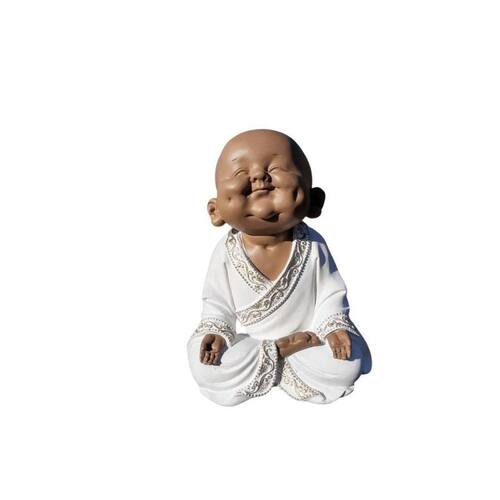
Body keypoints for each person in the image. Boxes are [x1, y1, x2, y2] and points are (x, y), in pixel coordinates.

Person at [187, 129, 371, 406]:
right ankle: (280, 350)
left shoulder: (312, 245)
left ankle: (273, 362)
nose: (259, 178)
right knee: (203, 364)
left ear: (314, 201)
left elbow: (331, 295)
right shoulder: (226, 251)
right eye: (241, 173)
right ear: (216, 210)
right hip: (256, 343)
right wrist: (218, 333)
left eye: (275, 170)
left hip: (311, 341)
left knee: (347, 362)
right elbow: (217, 304)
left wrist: (334, 328)